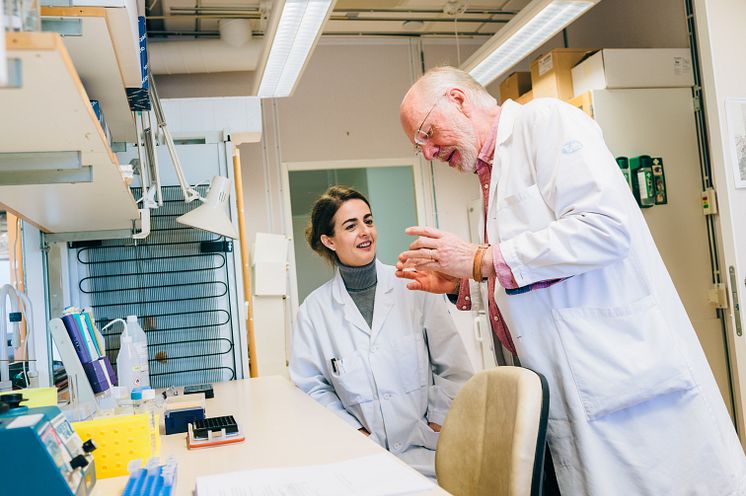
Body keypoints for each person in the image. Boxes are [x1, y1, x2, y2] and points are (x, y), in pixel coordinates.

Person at [397, 66, 746, 495]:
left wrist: (480, 259)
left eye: (428, 134)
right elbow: (541, 279)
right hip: (575, 389)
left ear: (457, 99)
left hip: (620, 378)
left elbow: (604, 229)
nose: (429, 152)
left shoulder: (546, 123)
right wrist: (460, 282)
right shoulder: (494, 171)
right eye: (420, 147)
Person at [288, 185, 473, 478]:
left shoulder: (413, 287)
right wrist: (353, 433)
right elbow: (311, 388)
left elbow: (454, 366)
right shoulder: (313, 312)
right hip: (360, 460)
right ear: (329, 240)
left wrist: (437, 420)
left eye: (368, 221)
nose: (365, 231)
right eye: (351, 226)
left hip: (429, 453)